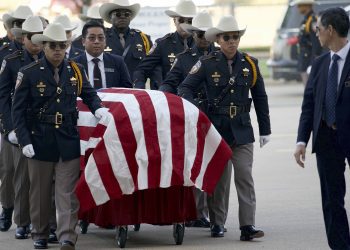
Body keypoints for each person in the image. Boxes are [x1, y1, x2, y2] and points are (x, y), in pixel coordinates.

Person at [11, 23, 108, 250]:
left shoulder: (75, 70)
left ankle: (67, 237)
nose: (57, 50)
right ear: (44, 46)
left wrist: (99, 108)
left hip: (67, 138)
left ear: (67, 46)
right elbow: (18, 111)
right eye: (53, 46)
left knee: (67, 193)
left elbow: (90, 95)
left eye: (62, 46)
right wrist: (24, 141)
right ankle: (40, 234)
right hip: (39, 139)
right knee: (40, 193)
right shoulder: (29, 72)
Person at [178, 15, 271, 239]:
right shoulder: (207, 63)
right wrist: (198, 110)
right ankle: (217, 223)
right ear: (218, 40)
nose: (232, 41)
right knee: (220, 180)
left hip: (242, 129)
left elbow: (260, 98)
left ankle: (247, 226)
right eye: (227, 37)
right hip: (216, 130)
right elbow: (184, 89)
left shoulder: (250, 64)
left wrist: (265, 129)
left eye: (235, 37)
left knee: (244, 176)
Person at [294, 7, 350, 250]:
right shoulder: (318, 64)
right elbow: (309, 106)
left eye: (318, 28)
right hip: (326, 137)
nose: (315, 32)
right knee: (331, 199)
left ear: (330, 30)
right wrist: (301, 141)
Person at [159, 10, 216, 228]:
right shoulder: (183, 59)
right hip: (191, 116)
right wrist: (170, 102)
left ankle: (213, 217)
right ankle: (196, 213)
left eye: (207, 34)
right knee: (194, 165)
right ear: (193, 35)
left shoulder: (220, 55)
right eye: (199, 34)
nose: (203, 38)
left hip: (216, 117)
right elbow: (168, 83)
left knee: (214, 165)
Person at [0, 15, 44, 239]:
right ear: (23, 39)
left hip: (43, 125)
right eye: (31, 38)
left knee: (38, 178)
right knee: (16, 174)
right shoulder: (11, 60)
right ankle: (17, 218)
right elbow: (3, 97)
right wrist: (10, 129)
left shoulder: (51, 58)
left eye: (40, 38)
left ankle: (35, 223)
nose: (35, 42)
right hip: (17, 124)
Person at [0, 4, 33, 233]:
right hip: (8, 120)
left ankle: (23, 219)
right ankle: (7, 207)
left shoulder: (42, 51)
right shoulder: (5, 54)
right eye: (17, 23)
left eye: (25, 24)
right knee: (8, 171)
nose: (20, 28)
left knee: (25, 175)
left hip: (33, 121)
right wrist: (8, 127)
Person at [133, 0, 197, 89]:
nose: (185, 25)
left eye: (190, 21)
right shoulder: (163, 44)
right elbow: (141, 70)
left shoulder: (205, 45)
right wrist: (140, 90)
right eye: (181, 20)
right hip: (168, 97)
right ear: (174, 21)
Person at [99, 0, 161, 89]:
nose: (123, 17)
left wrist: (156, 90)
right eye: (118, 14)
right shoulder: (101, 38)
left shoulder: (143, 39)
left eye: (127, 14)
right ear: (110, 16)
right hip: (110, 93)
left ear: (130, 17)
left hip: (136, 92)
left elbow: (153, 67)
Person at [73, 20, 132, 89]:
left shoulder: (118, 62)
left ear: (105, 41)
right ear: (83, 41)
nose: (97, 41)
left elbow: (128, 90)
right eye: (92, 38)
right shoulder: (74, 64)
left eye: (100, 38)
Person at [291, 0, 322, 85]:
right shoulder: (306, 20)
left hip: (309, 57)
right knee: (306, 84)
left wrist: (315, 59)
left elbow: (316, 41)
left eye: (300, 6)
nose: (298, 8)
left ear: (307, 6)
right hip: (304, 57)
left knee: (310, 85)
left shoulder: (312, 20)